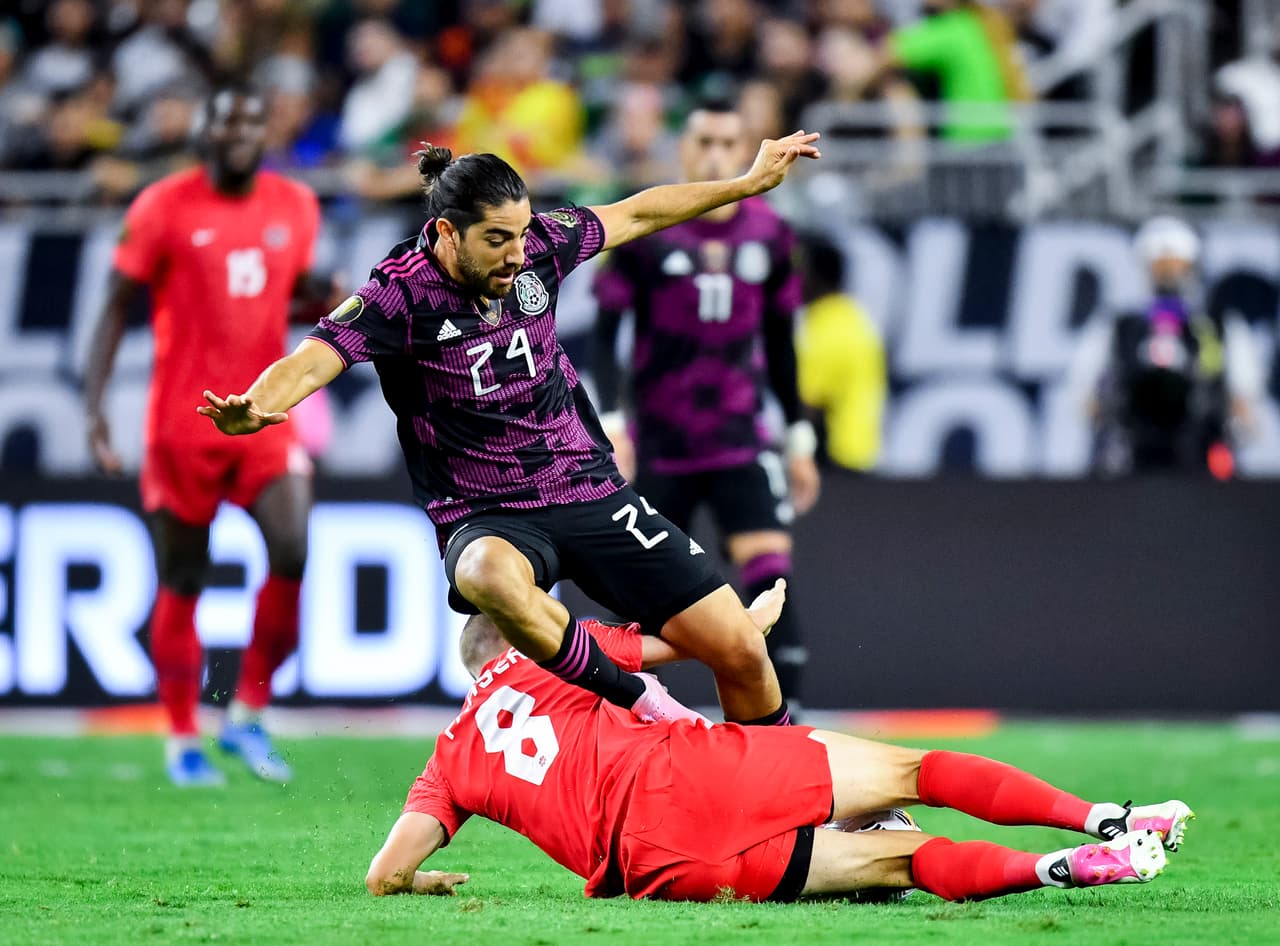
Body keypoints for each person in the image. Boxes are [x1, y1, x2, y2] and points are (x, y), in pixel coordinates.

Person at [199, 130, 824, 730]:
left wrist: (742, 185)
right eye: (498, 239)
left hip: (588, 487)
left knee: (741, 649)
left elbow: (635, 214)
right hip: (489, 512)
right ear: (447, 232)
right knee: (483, 575)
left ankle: (795, 796)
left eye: (522, 233)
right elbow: (313, 358)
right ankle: (638, 697)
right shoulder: (399, 297)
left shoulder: (539, 251)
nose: (519, 254)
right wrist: (254, 405)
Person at [363, 594, 1193, 903]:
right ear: (517, 629)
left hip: (659, 870)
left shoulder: (447, 759)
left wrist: (424, 880)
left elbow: (385, 876)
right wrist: (748, 625)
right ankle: (1106, 821)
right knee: (919, 773)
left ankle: (1055, 872)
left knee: (903, 861)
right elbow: (675, 645)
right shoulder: (556, 648)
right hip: (685, 773)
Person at [84, 86, 330, 787]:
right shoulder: (162, 205)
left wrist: (321, 291)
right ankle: (184, 736)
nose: (239, 131)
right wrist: (95, 407)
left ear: (264, 132)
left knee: (292, 547)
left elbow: (287, 293)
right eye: (226, 121)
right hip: (184, 424)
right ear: (206, 132)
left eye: (252, 119)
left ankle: (248, 711)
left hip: (261, 414)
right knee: (183, 578)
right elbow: (112, 307)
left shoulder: (296, 205)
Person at [591, 99, 821, 714]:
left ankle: (785, 730)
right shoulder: (649, 228)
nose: (717, 155)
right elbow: (604, 330)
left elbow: (780, 343)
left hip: (739, 436)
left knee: (771, 573)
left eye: (729, 143)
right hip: (661, 439)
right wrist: (612, 420)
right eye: (706, 143)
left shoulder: (770, 233)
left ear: (743, 147)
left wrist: (798, 434)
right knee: (637, 587)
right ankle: (616, 721)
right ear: (685, 150)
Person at [1066, 216, 1264, 477]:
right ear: (1146, 267)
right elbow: (1084, 391)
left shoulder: (1218, 326)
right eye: (1161, 266)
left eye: (1176, 265)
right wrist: (1102, 416)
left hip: (1200, 448)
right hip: (1133, 451)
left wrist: (1237, 425)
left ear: (1192, 267)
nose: (1169, 276)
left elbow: (1245, 401)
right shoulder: (1119, 326)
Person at [795, 234, 886, 473]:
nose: (795, 280)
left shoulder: (823, 328)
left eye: (800, 271)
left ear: (816, 276)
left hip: (832, 459)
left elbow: (806, 404)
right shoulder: (855, 317)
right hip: (861, 452)